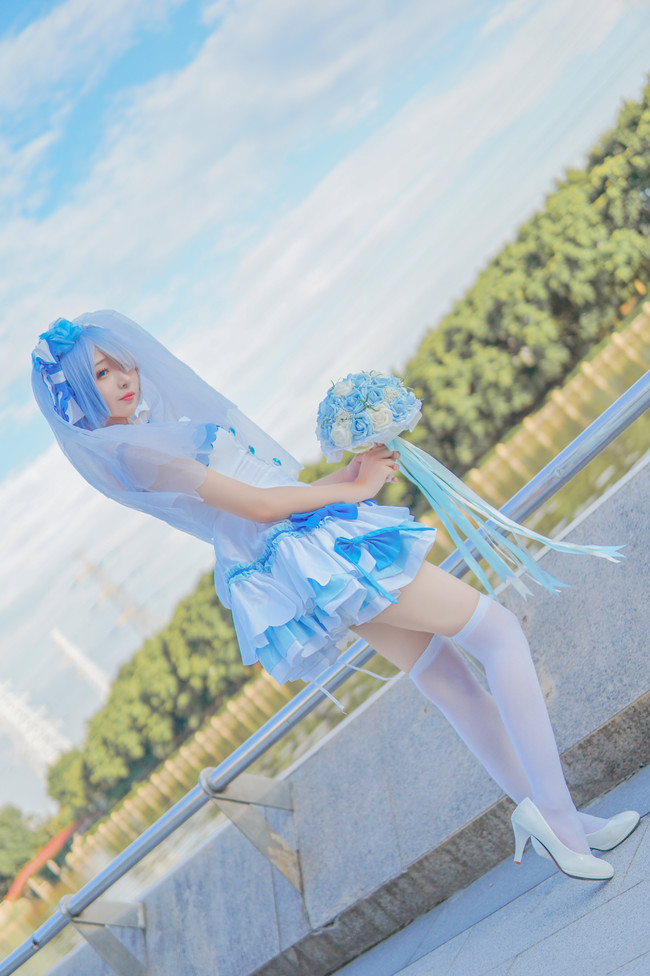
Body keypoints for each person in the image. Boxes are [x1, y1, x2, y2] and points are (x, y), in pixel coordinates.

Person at [32, 310, 639, 881]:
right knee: (498, 632)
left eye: (121, 364)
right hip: (315, 551)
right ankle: (559, 820)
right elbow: (259, 507)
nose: (123, 379)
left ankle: (562, 818)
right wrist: (353, 492)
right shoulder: (136, 451)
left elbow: (267, 493)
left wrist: (348, 475)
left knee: (444, 671)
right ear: (77, 395)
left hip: (307, 550)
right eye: (101, 375)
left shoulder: (150, 437)